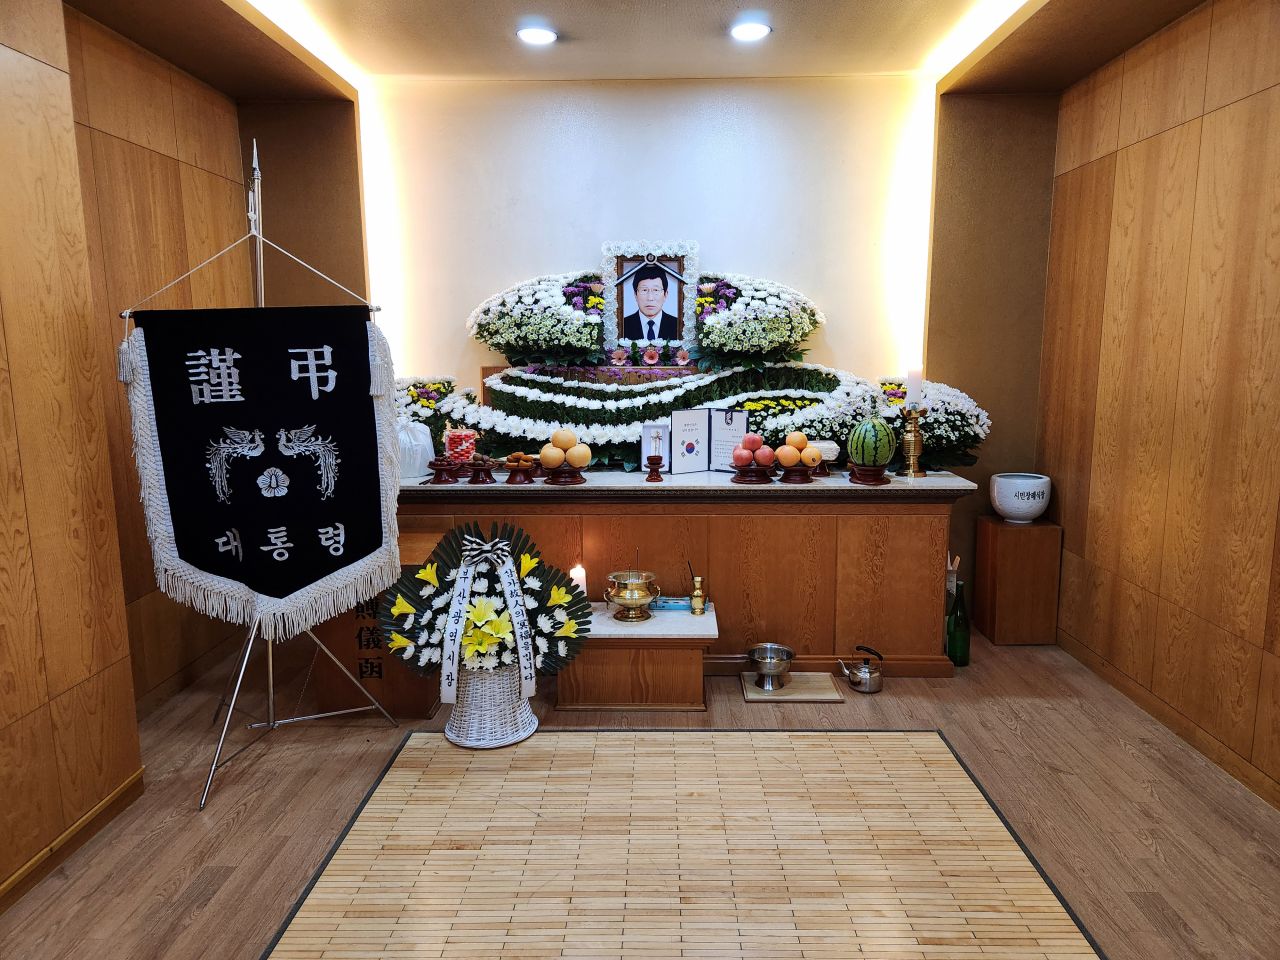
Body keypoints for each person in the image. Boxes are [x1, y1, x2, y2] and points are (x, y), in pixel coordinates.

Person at [622, 264, 680, 340]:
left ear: (665, 294)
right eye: (644, 290)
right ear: (635, 294)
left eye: (656, 290)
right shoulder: (622, 326)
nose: (650, 298)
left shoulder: (679, 325)